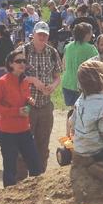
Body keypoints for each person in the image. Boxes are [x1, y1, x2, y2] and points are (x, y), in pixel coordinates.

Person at [0, 48, 43, 187]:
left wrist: (29, 100)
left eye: (24, 61)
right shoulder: (2, 82)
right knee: (10, 169)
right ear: (10, 64)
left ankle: (36, 194)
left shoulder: (24, 81)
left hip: (24, 130)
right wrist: (16, 111)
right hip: (7, 132)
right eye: (18, 61)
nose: (22, 64)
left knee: (36, 165)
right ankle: (7, 198)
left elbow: (24, 97)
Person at [18, 21, 62, 179]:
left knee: (43, 144)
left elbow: (57, 76)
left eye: (45, 35)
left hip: (45, 104)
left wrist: (53, 86)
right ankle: (20, 181)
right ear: (34, 35)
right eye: (40, 34)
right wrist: (33, 81)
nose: (42, 37)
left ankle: (39, 179)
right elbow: (13, 76)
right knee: (23, 143)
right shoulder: (23, 51)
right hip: (26, 104)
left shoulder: (52, 52)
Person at [61, 22, 98, 106]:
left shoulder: (68, 46)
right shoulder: (91, 49)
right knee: (83, 110)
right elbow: (97, 66)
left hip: (67, 83)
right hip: (82, 85)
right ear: (86, 34)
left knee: (73, 110)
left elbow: (63, 65)